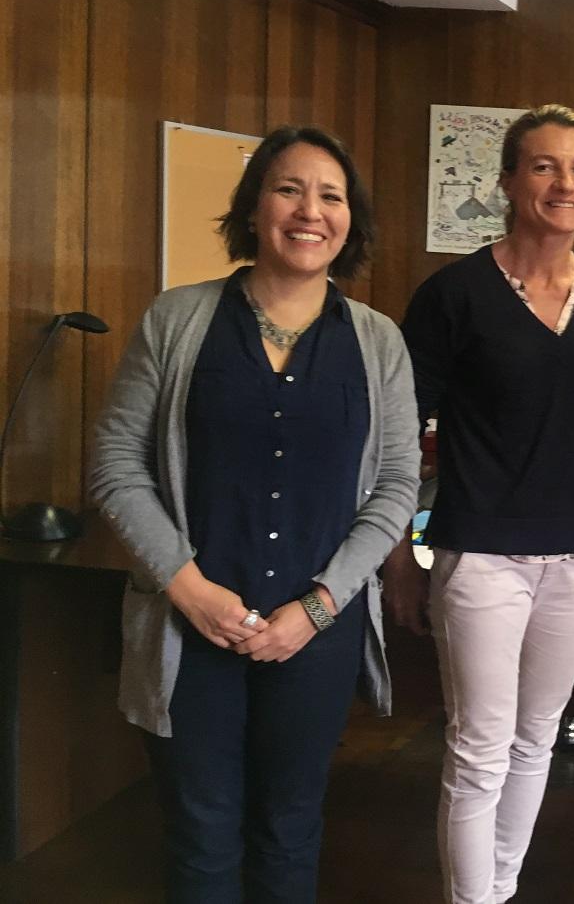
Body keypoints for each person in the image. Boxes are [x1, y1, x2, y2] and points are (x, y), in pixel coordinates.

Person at [89, 126, 421, 902]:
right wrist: (187, 585)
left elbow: (397, 486)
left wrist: (319, 603)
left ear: (351, 219)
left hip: (316, 632)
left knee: (290, 827)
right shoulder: (176, 320)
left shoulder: (379, 342)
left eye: (331, 195)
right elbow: (114, 463)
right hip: (188, 628)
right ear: (254, 208)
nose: (310, 210)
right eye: (288, 188)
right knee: (200, 836)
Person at [381, 104, 574, 904]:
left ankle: (501, 889)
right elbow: (395, 435)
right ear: (508, 179)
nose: (566, 183)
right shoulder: (452, 294)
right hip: (481, 555)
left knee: (534, 742)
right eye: (545, 165)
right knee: (480, 746)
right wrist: (397, 559)